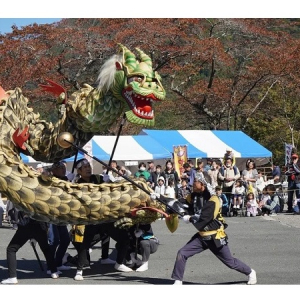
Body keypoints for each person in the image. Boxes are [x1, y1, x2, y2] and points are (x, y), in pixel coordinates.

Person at [171, 177, 256, 285]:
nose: (192, 184)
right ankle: (178, 281)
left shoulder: (213, 198)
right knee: (182, 253)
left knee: (230, 262)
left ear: (202, 184)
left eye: (195, 182)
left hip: (215, 236)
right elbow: (180, 203)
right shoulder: (192, 196)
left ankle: (250, 272)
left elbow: (206, 216)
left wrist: (190, 218)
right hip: (202, 237)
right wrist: (161, 199)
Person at [1, 211, 59, 284]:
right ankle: (53, 271)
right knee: (46, 249)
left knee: (11, 249)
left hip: (27, 224)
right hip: (40, 224)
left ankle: (12, 277)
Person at [47, 161, 72, 272]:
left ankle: (58, 262)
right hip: (52, 215)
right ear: (54, 170)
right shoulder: (51, 180)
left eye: (64, 168)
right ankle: (50, 266)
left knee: (65, 240)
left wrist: (69, 182)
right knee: (54, 241)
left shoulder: (65, 179)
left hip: (61, 215)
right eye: (60, 168)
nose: (63, 170)